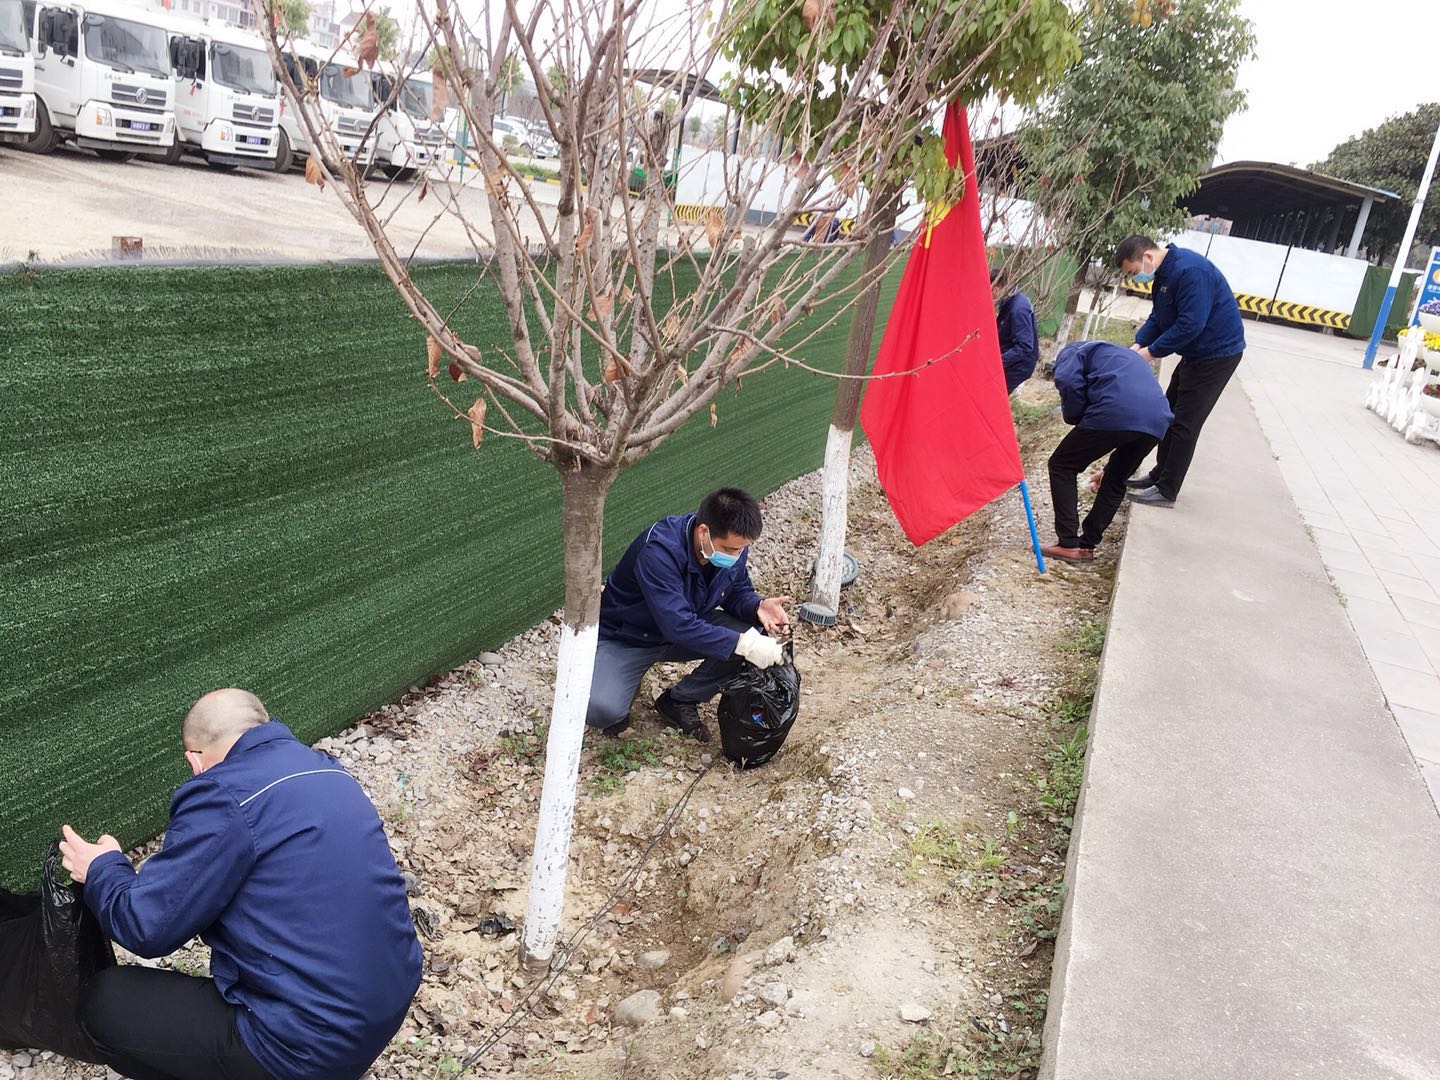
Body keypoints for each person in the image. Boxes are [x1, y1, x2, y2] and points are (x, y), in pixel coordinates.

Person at [59, 689, 422, 1080]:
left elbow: (146, 927)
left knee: (105, 1003)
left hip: (307, 1044)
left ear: (194, 760)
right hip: (388, 1002)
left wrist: (102, 868)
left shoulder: (222, 792)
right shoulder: (326, 769)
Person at [586, 487, 790, 742]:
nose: (736, 557)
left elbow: (736, 589)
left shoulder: (731, 547)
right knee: (601, 709)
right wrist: (744, 644)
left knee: (754, 632)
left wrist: (756, 606)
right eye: (729, 549)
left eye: (741, 550)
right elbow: (677, 624)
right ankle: (623, 687)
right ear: (703, 531)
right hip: (630, 637)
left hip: (683, 628)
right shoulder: (659, 551)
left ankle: (680, 700)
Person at [1113, 235, 1246, 507]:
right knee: (1170, 414)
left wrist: (1150, 353)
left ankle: (1167, 490)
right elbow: (1159, 318)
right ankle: (1159, 474)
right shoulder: (1164, 274)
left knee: (1186, 422)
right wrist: (1138, 344)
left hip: (1217, 353)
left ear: (1147, 257)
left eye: (1135, 272)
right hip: (1197, 352)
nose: (1137, 278)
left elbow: (1189, 325)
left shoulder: (1190, 271)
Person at [1041, 340, 1174, 564]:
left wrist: (1075, 417)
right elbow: (1133, 396)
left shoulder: (1074, 351)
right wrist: (1106, 467)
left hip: (1114, 410)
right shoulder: (1124, 357)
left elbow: (1067, 380)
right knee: (1115, 479)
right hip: (1157, 422)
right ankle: (1087, 546)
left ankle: (1068, 544)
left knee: (1062, 465)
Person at [992, 266, 1039, 394]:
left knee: (994, 393)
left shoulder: (1019, 308)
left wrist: (998, 361)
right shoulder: (1009, 301)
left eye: (990, 292)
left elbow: (1024, 347)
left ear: (996, 289)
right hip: (1010, 356)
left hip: (1019, 365)